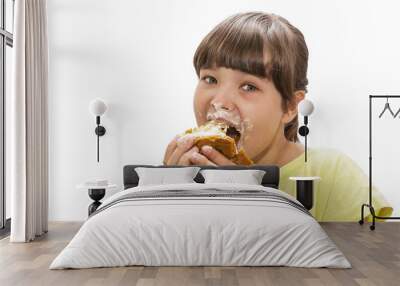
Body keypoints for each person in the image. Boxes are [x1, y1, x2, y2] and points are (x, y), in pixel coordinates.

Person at [163, 11, 392, 221]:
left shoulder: (332, 173)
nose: (219, 101)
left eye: (249, 86)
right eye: (210, 79)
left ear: (290, 106)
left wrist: (247, 204)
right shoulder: (185, 171)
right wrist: (161, 197)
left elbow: (371, 257)